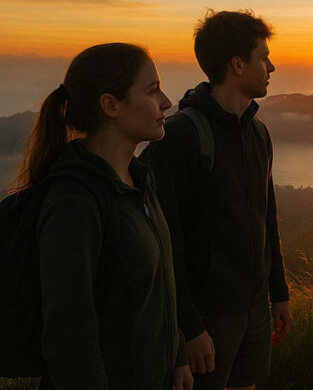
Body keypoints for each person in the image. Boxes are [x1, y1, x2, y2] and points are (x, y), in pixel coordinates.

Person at [14, 43, 193, 389]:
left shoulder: (139, 180)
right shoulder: (74, 203)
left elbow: (158, 286)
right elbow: (69, 339)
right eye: (152, 90)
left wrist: (177, 354)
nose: (167, 102)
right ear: (110, 105)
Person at [140, 10, 291, 390]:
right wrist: (190, 328)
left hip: (253, 309)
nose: (272, 67)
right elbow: (166, 243)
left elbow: (267, 218)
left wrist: (279, 293)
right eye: (264, 57)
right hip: (208, 318)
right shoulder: (180, 139)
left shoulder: (258, 134)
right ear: (237, 65)